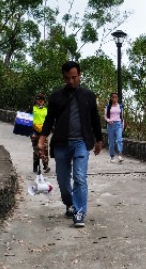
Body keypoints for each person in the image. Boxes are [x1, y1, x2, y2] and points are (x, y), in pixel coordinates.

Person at [38, 61, 103, 228]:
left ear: (79, 76)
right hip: (61, 143)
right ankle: (70, 203)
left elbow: (95, 119)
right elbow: (48, 120)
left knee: (80, 177)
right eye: (67, 78)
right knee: (63, 181)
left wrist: (99, 140)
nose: (71, 81)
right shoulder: (56, 97)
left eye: (74, 77)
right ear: (63, 78)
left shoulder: (88, 95)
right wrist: (42, 139)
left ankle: (79, 211)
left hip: (81, 142)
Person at [30, 93, 50, 174]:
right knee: (36, 149)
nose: (40, 101)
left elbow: (49, 121)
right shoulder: (32, 109)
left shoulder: (46, 110)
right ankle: (36, 165)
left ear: (44, 101)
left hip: (44, 132)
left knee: (45, 149)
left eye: (41, 100)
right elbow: (26, 118)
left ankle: (45, 166)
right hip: (34, 131)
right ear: (36, 100)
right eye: (38, 100)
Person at [104, 92, 124, 163]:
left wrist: (122, 126)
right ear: (111, 98)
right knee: (111, 142)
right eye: (113, 97)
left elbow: (122, 117)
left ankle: (120, 155)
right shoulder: (108, 107)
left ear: (117, 98)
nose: (115, 98)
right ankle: (112, 156)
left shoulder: (120, 106)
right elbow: (105, 116)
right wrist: (109, 120)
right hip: (111, 125)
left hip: (118, 124)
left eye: (116, 97)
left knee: (119, 139)